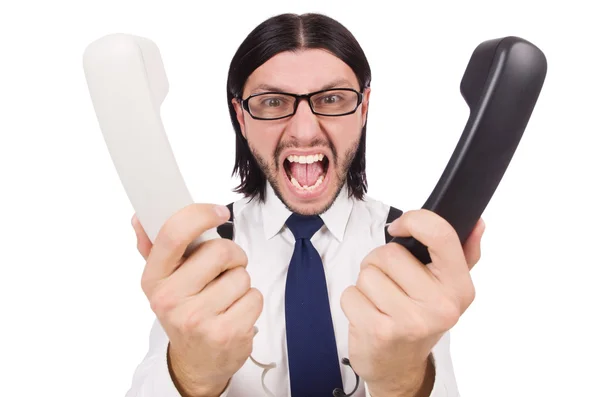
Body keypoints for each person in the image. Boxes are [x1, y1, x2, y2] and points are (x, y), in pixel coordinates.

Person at [126, 12, 485, 397]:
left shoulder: (408, 251)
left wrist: (403, 380)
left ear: (363, 109)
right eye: (273, 101)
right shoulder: (205, 253)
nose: (305, 130)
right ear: (241, 118)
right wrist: (191, 373)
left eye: (331, 99)